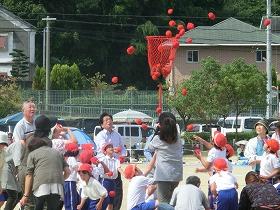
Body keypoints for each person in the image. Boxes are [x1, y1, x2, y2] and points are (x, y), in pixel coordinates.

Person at [20, 136, 70, 210]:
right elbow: (68, 172)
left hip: (40, 186)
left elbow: (29, 175)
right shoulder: (58, 153)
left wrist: (26, 195)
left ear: (32, 148)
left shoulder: (32, 154)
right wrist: (60, 179)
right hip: (57, 187)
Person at [18, 115, 55, 210]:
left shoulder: (29, 137)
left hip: (22, 170)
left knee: (29, 203)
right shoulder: (47, 142)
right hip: (34, 173)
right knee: (42, 203)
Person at [148, 112, 183, 203]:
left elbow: (149, 148)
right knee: (172, 202)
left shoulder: (157, 139)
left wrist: (156, 131)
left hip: (163, 175)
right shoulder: (178, 138)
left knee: (163, 204)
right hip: (176, 174)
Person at [94, 112, 126, 210]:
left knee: (117, 192)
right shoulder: (100, 135)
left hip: (115, 165)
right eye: (106, 120)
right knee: (104, 191)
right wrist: (114, 150)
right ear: (102, 124)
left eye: (110, 119)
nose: (109, 121)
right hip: (105, 166)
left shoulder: (117, 135)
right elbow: (105, 148)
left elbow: (123, 148)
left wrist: (123, 155)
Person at [13, 100, 36, 167]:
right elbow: (18, 143)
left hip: (36, 152)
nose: (32, 109)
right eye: (30, 107)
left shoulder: (36, 123)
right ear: (23, 111)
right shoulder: (20, 125)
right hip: (25, 155)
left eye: (34, 107)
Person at [99, 143, 122, 210]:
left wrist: (125, 174)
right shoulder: (103, 159)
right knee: (103, 199)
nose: (111, 148)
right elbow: (100, 171)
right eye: (109, 147)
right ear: (105, 151)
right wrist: (106, 173)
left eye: (111, 147)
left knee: (111, 201)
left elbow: (119, 168)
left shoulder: (116, 160)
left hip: (113, 181)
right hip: (105, 181)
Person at [64, 143, 79, 210]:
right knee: (71, 200)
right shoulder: (72, 158)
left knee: (67, 200)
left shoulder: (66, 158)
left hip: (66, 181)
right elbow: (76, 169)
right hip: (70, 181)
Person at [0, 132, 9, 208]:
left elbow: (10, 165)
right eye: (1, 143)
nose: (2, 145)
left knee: (1, 201)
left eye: (4, 144)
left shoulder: (5, 152)